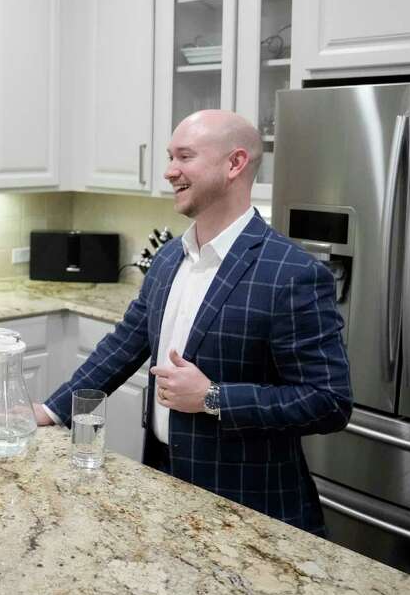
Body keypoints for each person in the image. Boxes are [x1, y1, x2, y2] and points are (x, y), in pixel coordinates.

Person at [36, 110, 352, 535]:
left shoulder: (290, 273)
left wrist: (213, 397)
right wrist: (53, 410)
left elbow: (329, 402)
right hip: (165, 485)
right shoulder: (169, 258)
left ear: (234, 164)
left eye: (184, 157)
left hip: (250, 509)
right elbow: (125, 344)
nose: (169, 171)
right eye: (169, 157)